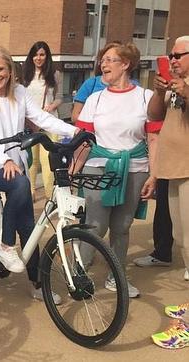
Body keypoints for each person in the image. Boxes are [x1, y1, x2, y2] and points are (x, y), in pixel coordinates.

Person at [0, 47, 78, 303]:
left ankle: (37, 283)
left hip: (13, 164)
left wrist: (73, 131)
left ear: (10, 70)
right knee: (19, 186)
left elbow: (40, 117)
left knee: (29, 223)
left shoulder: (19, 91)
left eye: (0, 69)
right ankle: (6, 246)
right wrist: (3, 157)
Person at [75, 42, 160, 298]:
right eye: (103, 59)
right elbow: (84, 139)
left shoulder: (145, 97)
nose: (104, 64)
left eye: (111, 59)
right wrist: (74, 170)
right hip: (98, 167)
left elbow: (153, 139)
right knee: (95, 225)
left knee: (122, 226)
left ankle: (116, 277)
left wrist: (154, 175)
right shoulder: (95, 98)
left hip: (135, 168)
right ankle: (79, 272)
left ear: (126, 64)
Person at [150, 35, 189, 282]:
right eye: (170, 56)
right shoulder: (175, 84)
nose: (172, 60)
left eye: (177, 56)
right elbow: (154, 115)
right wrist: (158, 91)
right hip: (172, 168)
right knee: (181, 235)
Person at [22, 41, 63, 199]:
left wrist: (52, 106)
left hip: (49, 121)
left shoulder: (54, 74)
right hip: (31, 123)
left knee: (48, 160)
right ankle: (30, 190)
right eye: (36, 54)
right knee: (31, 160)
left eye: (42, 54)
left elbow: (60, 97)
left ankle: (49, 195)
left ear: (47, 56)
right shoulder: (26, 74)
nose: (38, 58)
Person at [71, 41, 124, 123]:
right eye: (102, 61)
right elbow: (75, 117)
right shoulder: (90, 84)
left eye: (109, 60)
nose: (104, 65)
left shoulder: (138, 90)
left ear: (125, 64)